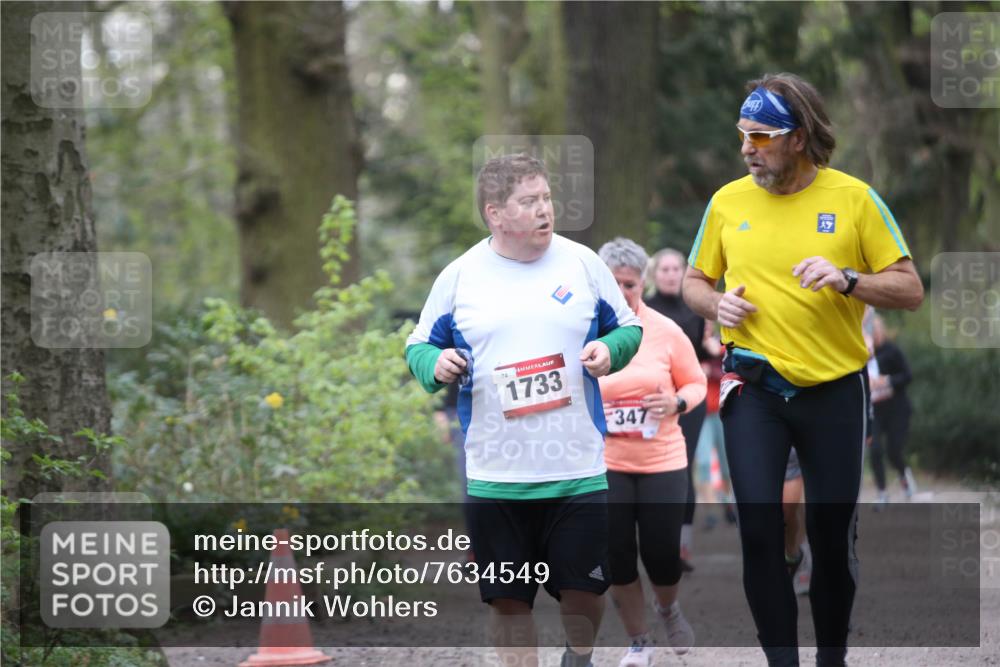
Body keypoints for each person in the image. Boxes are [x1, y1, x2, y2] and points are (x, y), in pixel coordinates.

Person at [682, 73, 924, 667]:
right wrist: (718, 305)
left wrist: (848, 279)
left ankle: (831, 657)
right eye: (743, 135)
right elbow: (693, 281)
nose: (747, 148)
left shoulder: (854, 199)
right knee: (761, 535)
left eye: (760, 136)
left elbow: (910, 288)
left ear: (798, 137)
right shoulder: (726, 203)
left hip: (835, 392)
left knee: (832, 541)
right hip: (754, 390)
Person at [406, 153, 642, 667]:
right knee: (509, 599)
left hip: (576, 469)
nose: (544, 210)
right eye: (529, 201)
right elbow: (418, 344)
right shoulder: (461, 276)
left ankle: (576, 658)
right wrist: (436, 364)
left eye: (547, 198)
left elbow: (627, 327)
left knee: (584, 593)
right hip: (495, 474)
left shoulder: (583, 264)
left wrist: (611, 351)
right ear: (495, 213)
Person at [596, 237, 707, 667]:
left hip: (662, 459)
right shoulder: (581, 331)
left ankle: (668, 607)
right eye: (614, 285)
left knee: (662, 555)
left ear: (641, 283)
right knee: (616, 556)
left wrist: (675, 404)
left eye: (630, 284)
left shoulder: (665, 331)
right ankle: (639, 641)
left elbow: (696, 383)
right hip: (606, 463)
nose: (622, 293)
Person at [645, 249, 719, 571]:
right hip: (652, 399)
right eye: (665, 269)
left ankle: (681, 546)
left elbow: (705, 351)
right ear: (654, 274)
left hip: (688, 399)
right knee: (650, 469)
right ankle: (651, 537)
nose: (672, 274)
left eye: (677, 268)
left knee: (682, 466)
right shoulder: (643, 309)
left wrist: (714, 351)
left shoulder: (696, 308)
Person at [867, 313, 917, 507]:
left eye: (877, 331)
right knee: (875, 449)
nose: (875, 335)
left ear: (882, 331)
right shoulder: (862, 354)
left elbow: (908, 375)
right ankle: (882, 493)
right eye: (871, 332)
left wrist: (886, 380)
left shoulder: (892, 351)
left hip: (897, 408)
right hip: (875, 410)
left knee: (894, 450)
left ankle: (905, 477)